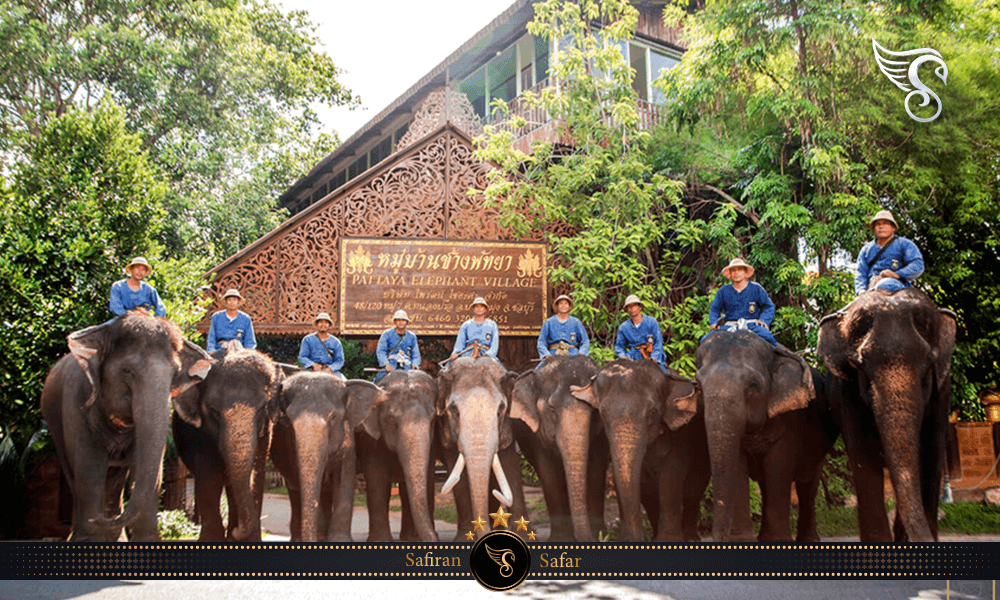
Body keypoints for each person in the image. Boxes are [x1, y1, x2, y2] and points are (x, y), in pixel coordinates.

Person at [702, 258, 777, 347]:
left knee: (769, 338)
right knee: (705, 340)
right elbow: (714, 308)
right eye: (733, 270)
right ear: (730, 274)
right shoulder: (723, 291)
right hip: (730, 326)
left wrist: (763, 320)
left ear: (745, 272)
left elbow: (768, 306)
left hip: (752, 325)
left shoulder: (756, 288)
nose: (736, 273)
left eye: (739, 270)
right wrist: (714, 322)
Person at [854, 209, 925, 295]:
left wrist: (897, 274)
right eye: (878, 224)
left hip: (896, 285)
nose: (881, 227)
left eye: (885, 223)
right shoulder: (866, 249)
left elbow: (918, 265)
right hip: (871, 287)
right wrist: (861, 290)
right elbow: (861, 272)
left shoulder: (904, 244)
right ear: (873, 229)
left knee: (885, 285)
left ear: (893, 228)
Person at [614, 295, 666, 373]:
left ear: (639, 307)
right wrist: (623, 356)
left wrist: (654, 358)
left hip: (650, 354)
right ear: (627, 310)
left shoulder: (651, 322)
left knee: (662, 376)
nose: (632, 309)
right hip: (632, 357)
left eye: (634, 305)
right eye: (629, 307)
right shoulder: (623, 327)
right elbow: (619, 346)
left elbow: (658, 342)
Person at [537, 294, 590, 366]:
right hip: (553, 353)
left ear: (569, 306)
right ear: (557, 306)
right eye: (561, 303)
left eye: (566, 303)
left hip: (573, 353)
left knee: (588, 370)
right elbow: (541, 341)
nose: (563, 305)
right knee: (538, 371)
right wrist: (546, 355)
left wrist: (581, 353)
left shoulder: (576, 322)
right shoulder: (549, 322)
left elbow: (585, 340)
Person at [374, 309, 421, 383]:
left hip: (407, 367)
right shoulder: (386, 334)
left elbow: (416, 354)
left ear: (407, 322)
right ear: (394, 322)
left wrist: (415, 364)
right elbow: (381, 351)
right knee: (378, 382)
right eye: (398, 320)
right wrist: (386, 364)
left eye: (403, 320)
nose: (401, 322)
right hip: (391, 365)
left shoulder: (412, 336)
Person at [449, 297, 500, 363]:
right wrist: (455, 352)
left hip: (485, 353)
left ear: (485, 309)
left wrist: (489, 354)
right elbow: (460, 342)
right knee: (449, 369)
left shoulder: (492, 325)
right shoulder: (466, 325)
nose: (479, 309)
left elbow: (495, 345)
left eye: (481, 306)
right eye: (476, 307)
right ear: (473, 309)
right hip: (468, 353)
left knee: (502, 370)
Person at [299, 312, 346, 380]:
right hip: (311, 370)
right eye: (320, 322)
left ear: (329, 325)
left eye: (326, 322)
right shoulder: (307, 339)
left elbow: (339, 361)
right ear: (317, 324)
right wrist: (313, 365)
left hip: (330, 371)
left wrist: (330, 368)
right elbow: (302, 357)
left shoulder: (336, 342)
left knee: (345, 384)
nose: (323, 324)